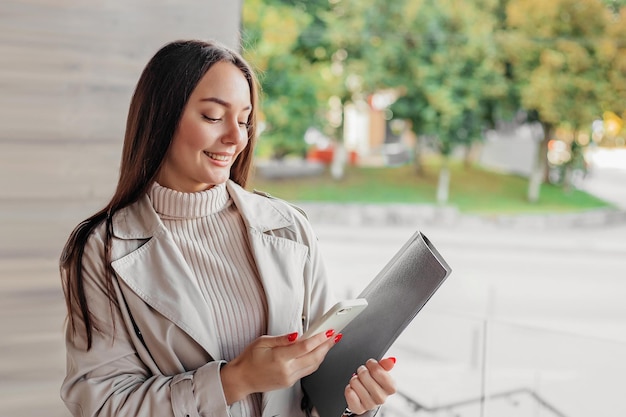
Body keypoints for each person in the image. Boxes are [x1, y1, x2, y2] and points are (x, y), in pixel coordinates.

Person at [59, 39, 396, 417]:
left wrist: (356, 405)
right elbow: (103, 405)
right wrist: (233, 381)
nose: (236, 138)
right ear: (162, 117)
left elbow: (315, 391)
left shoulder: (289, 229)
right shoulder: (103, 249)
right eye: (213, 117)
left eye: (244, 120)